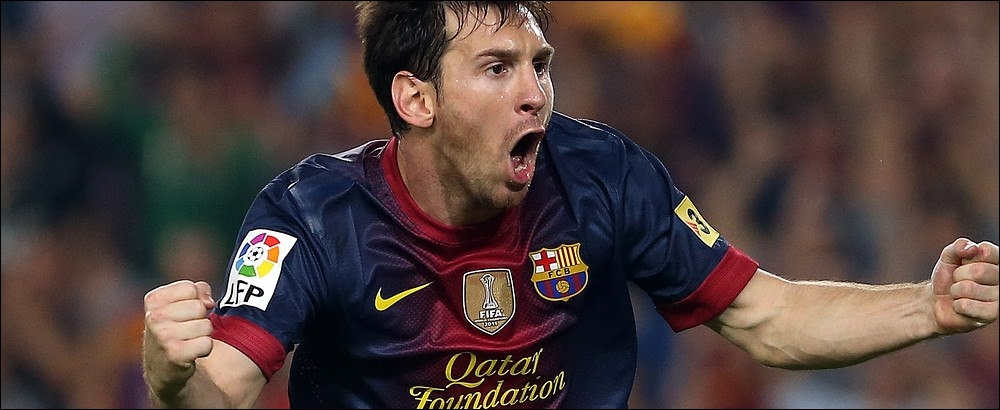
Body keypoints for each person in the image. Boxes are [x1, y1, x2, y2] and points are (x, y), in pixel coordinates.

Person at [140, 2, 999, 408]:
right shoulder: (311, 216)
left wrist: (925, 307)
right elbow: (223, 390)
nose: (536, 93)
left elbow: (765, 316)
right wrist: (169, 374)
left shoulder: (603, 176)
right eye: (497, 68)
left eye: (539, 64)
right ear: (415, 99)